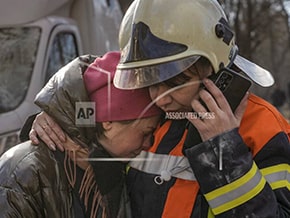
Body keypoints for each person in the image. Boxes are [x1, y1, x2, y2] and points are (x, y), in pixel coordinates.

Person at [29, 0, 290, 217]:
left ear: (215, 69)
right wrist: (55, 116)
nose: (160, 99)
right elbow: (91, 107)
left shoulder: (264, 128)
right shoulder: (150, 113)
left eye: (175, 83)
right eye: (150, 82)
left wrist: (224, 150)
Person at [0, 51, 162, 218]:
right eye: (146, 133)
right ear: (108, 122)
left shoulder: (111, 169)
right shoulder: (23, 172)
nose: (148, 144)